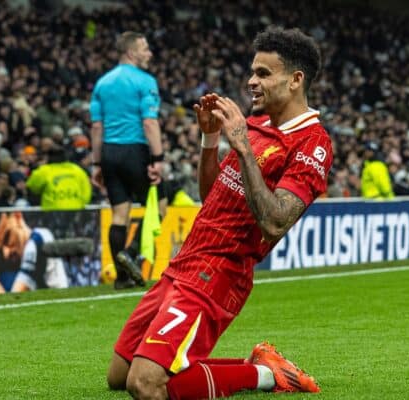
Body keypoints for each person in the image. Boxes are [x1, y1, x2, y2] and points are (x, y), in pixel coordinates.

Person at [106, 26, 333, 399]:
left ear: (295, 80)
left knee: (145, 385)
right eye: (252, 72)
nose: (251, 82)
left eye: (263, 73)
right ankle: (262, 367)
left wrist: (242, 146)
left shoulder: (312, 143)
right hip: (185, 263)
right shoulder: (257, 124)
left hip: (218, 273)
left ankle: (266, 376)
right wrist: (210, 141)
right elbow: (213, 195)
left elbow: (276, 221)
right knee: (119, 375)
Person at [89, 31, 165, 290]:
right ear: (131, 52)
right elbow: (149, 122)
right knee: (159, 206)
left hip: (109, 153)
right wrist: (158, 158)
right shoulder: (145, 81)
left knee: (119, 214)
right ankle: (130, 254)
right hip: (136, 151)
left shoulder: (102, 83)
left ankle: (121, 278)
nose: (150, 53)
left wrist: (97, 164)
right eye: (145, 48)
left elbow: (97, 127)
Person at [25, 146, 92, 210]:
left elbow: (31, 187)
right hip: (75, 211)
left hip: (52, 211)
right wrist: (79, 203)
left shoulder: (44, 171)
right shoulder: (77, 170)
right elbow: (86, 193)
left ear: (49, 158)